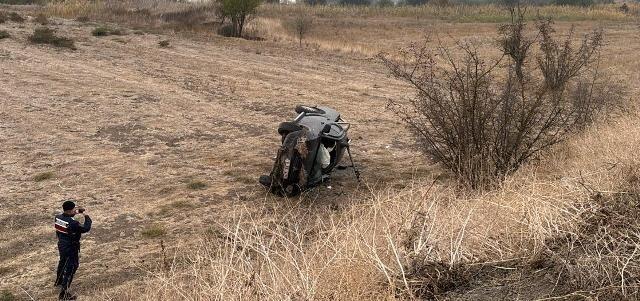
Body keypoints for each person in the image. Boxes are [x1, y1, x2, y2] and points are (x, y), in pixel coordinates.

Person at [54, 200, 92, 300]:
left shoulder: (58, 217)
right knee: (71, 267)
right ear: (70, 210)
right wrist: (86, 216)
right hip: (71, 247)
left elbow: (67, 216)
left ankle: (59, 281)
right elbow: (86, 228)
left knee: (62, 262)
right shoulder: (73, 223)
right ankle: (64, 294)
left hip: (61, 244)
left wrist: (77, 211)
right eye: (73, 209)